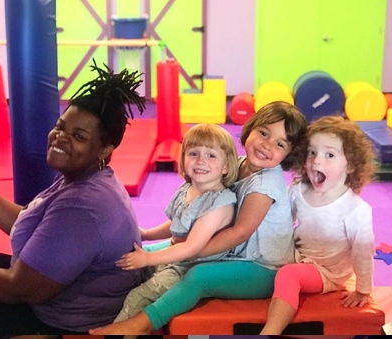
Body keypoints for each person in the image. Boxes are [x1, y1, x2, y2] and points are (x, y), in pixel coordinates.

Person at [90, 100, 308, 335]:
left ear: (288, 153)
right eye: (263, 133)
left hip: (263, 269)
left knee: (198, 276)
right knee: (152, 252)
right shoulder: (238, 165)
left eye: (279, 144)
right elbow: (197, 216)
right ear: (251, 128)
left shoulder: (264, 184)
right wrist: (151, 236)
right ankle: (112, 297)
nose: (266, 145)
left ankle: (144, 322)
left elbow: (239, 232)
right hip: (232, 252)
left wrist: (193, 251)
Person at [0, 61, 146, 336]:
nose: (60, 138)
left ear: (103, 150)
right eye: (60, 127)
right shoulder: (80, 177)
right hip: (42, 300)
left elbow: (20, 289)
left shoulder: (84, 206)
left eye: (78, 136)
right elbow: (27, 221)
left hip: (57, 324)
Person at [259, 116, 378, 334]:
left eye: (329, 155)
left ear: (350, 165)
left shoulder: (355, 210)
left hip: (327, 271)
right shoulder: (299, 190)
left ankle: (270, 331)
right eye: (312, 152)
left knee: (288, 275)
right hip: (298, 255)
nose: (316, 161)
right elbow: (280, 221)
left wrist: (362, 290)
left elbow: (363, 252)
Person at [114, 123, 239, 321]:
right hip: (176, 255)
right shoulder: (187, 188)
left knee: (137, 296)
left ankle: (118, 330)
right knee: (126, 274)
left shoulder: (220, 202)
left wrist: (147, 259)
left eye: (211, 155)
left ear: (226, 167)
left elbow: (191, 247)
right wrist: (147, 234)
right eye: (193, 153)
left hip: (192, 266)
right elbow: (177, 224)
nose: (200, 161)